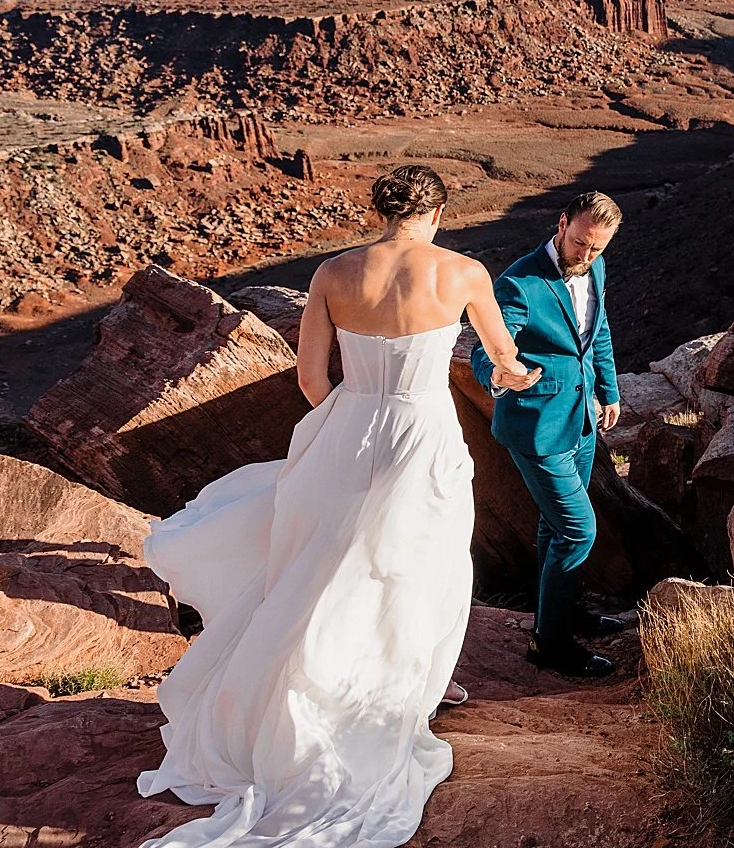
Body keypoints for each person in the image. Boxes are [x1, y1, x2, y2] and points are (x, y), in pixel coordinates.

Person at [136, 165, 540, 848]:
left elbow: (309, 377)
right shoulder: (464, 272)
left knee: (322, 565)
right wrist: (526, 376)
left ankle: (310, 688)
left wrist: (348, 424)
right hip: (422, 433)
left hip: (347, 430)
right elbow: (501, 361)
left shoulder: (332, 274)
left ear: (382, 211)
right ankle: (402, 692)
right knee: (414, 564)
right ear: (437, 211)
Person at [470, 190, 630, 678]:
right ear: (561, 224)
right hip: (537, 428)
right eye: (579, 243)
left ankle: (563, 611)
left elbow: (596, 333)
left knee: (553, 527)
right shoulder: (518, 283)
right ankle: (550, 643)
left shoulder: (594, 268)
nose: (584, 256)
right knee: (579, 529)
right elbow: (488, 348)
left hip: (581, 420)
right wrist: (501, 375)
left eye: (596, 249)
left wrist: (608, 389)